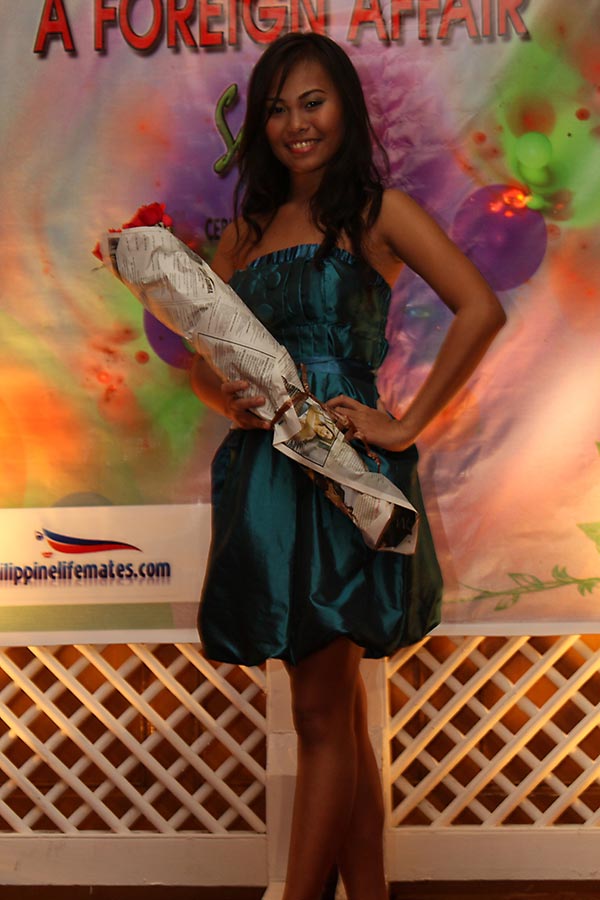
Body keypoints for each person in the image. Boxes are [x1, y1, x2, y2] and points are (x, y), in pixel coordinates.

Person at [191, 32, 506, 900]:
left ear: (347, 109)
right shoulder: (244, 234)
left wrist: (405, 427)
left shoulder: (378, 211)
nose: (296, 123)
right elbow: (202, 364)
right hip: (266, 481)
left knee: (320, 711)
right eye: (277, 108)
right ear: (259, 125)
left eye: (313, 102)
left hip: (344, 477)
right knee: (335, 709)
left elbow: (480, 308)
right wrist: (230, 402)